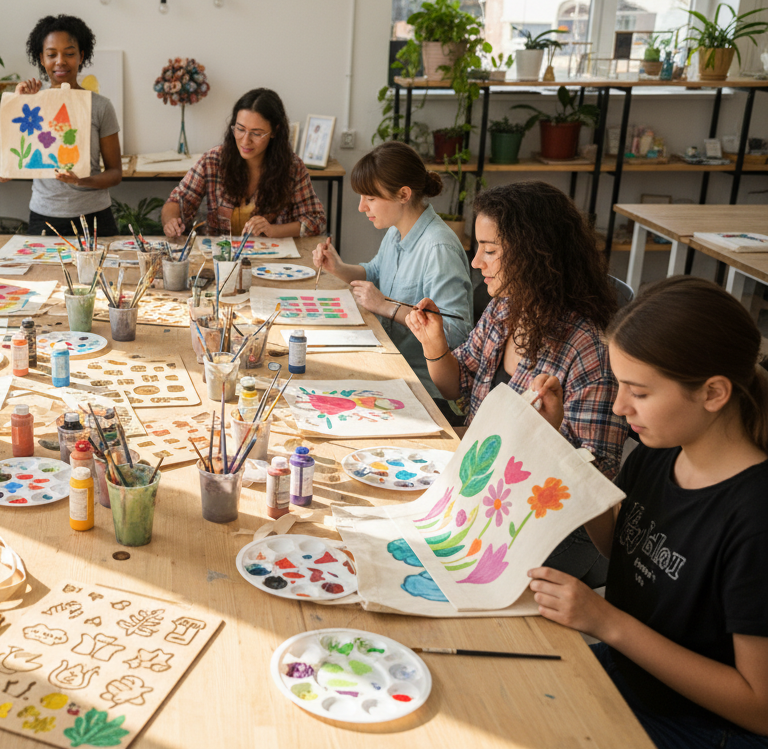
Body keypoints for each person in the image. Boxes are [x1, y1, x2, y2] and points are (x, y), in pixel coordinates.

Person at [529, 277, 768, 748]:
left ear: (714, 393)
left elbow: (759, 707)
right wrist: (558, 450)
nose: (619, 407)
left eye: (638, 392)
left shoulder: (755, 519)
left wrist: (605, 621)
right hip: (630, 675)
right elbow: (623, 545)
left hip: (702, 725)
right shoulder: (664, 450)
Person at [406, 181, 628, 580]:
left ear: (535, 255)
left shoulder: (588, 349)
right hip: (482, 493)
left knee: (431, 565)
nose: (476, 263)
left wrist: (548, 437)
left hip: (549, 526)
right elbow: (457, 387)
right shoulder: (505, 309)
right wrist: (434, 344)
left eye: (490, 251)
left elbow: (597, 485)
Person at [311, 141, 472, 408]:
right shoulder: (397, 230)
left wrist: (385, 306)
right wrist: (337, 267)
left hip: (425, 389)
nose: (362, 207)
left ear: (404, 194)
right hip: (390, 367)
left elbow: (456, 334)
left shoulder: (438, 248)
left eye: (371, 199)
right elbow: (375, 273)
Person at [0, 14, 122, 237]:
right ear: (41, 59)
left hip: (94, 218)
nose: (60, 61)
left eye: (70, 54)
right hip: (44, 217)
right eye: (52, 54)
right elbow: (2, 173)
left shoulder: (100, 106)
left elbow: (115, 173)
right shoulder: (31, 103)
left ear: (81, 56)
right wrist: (17, 106)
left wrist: (81, 180)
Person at [162, 88, 326, 238]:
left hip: (272, 263)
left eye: (257, 133)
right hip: (219, 258)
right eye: (240, 129)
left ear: (275, 131)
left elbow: (316, 220)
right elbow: (178, 201)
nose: (245, 141)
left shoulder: (292, 167)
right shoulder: (213, 160)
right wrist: (171, 222)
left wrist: (273, 230)